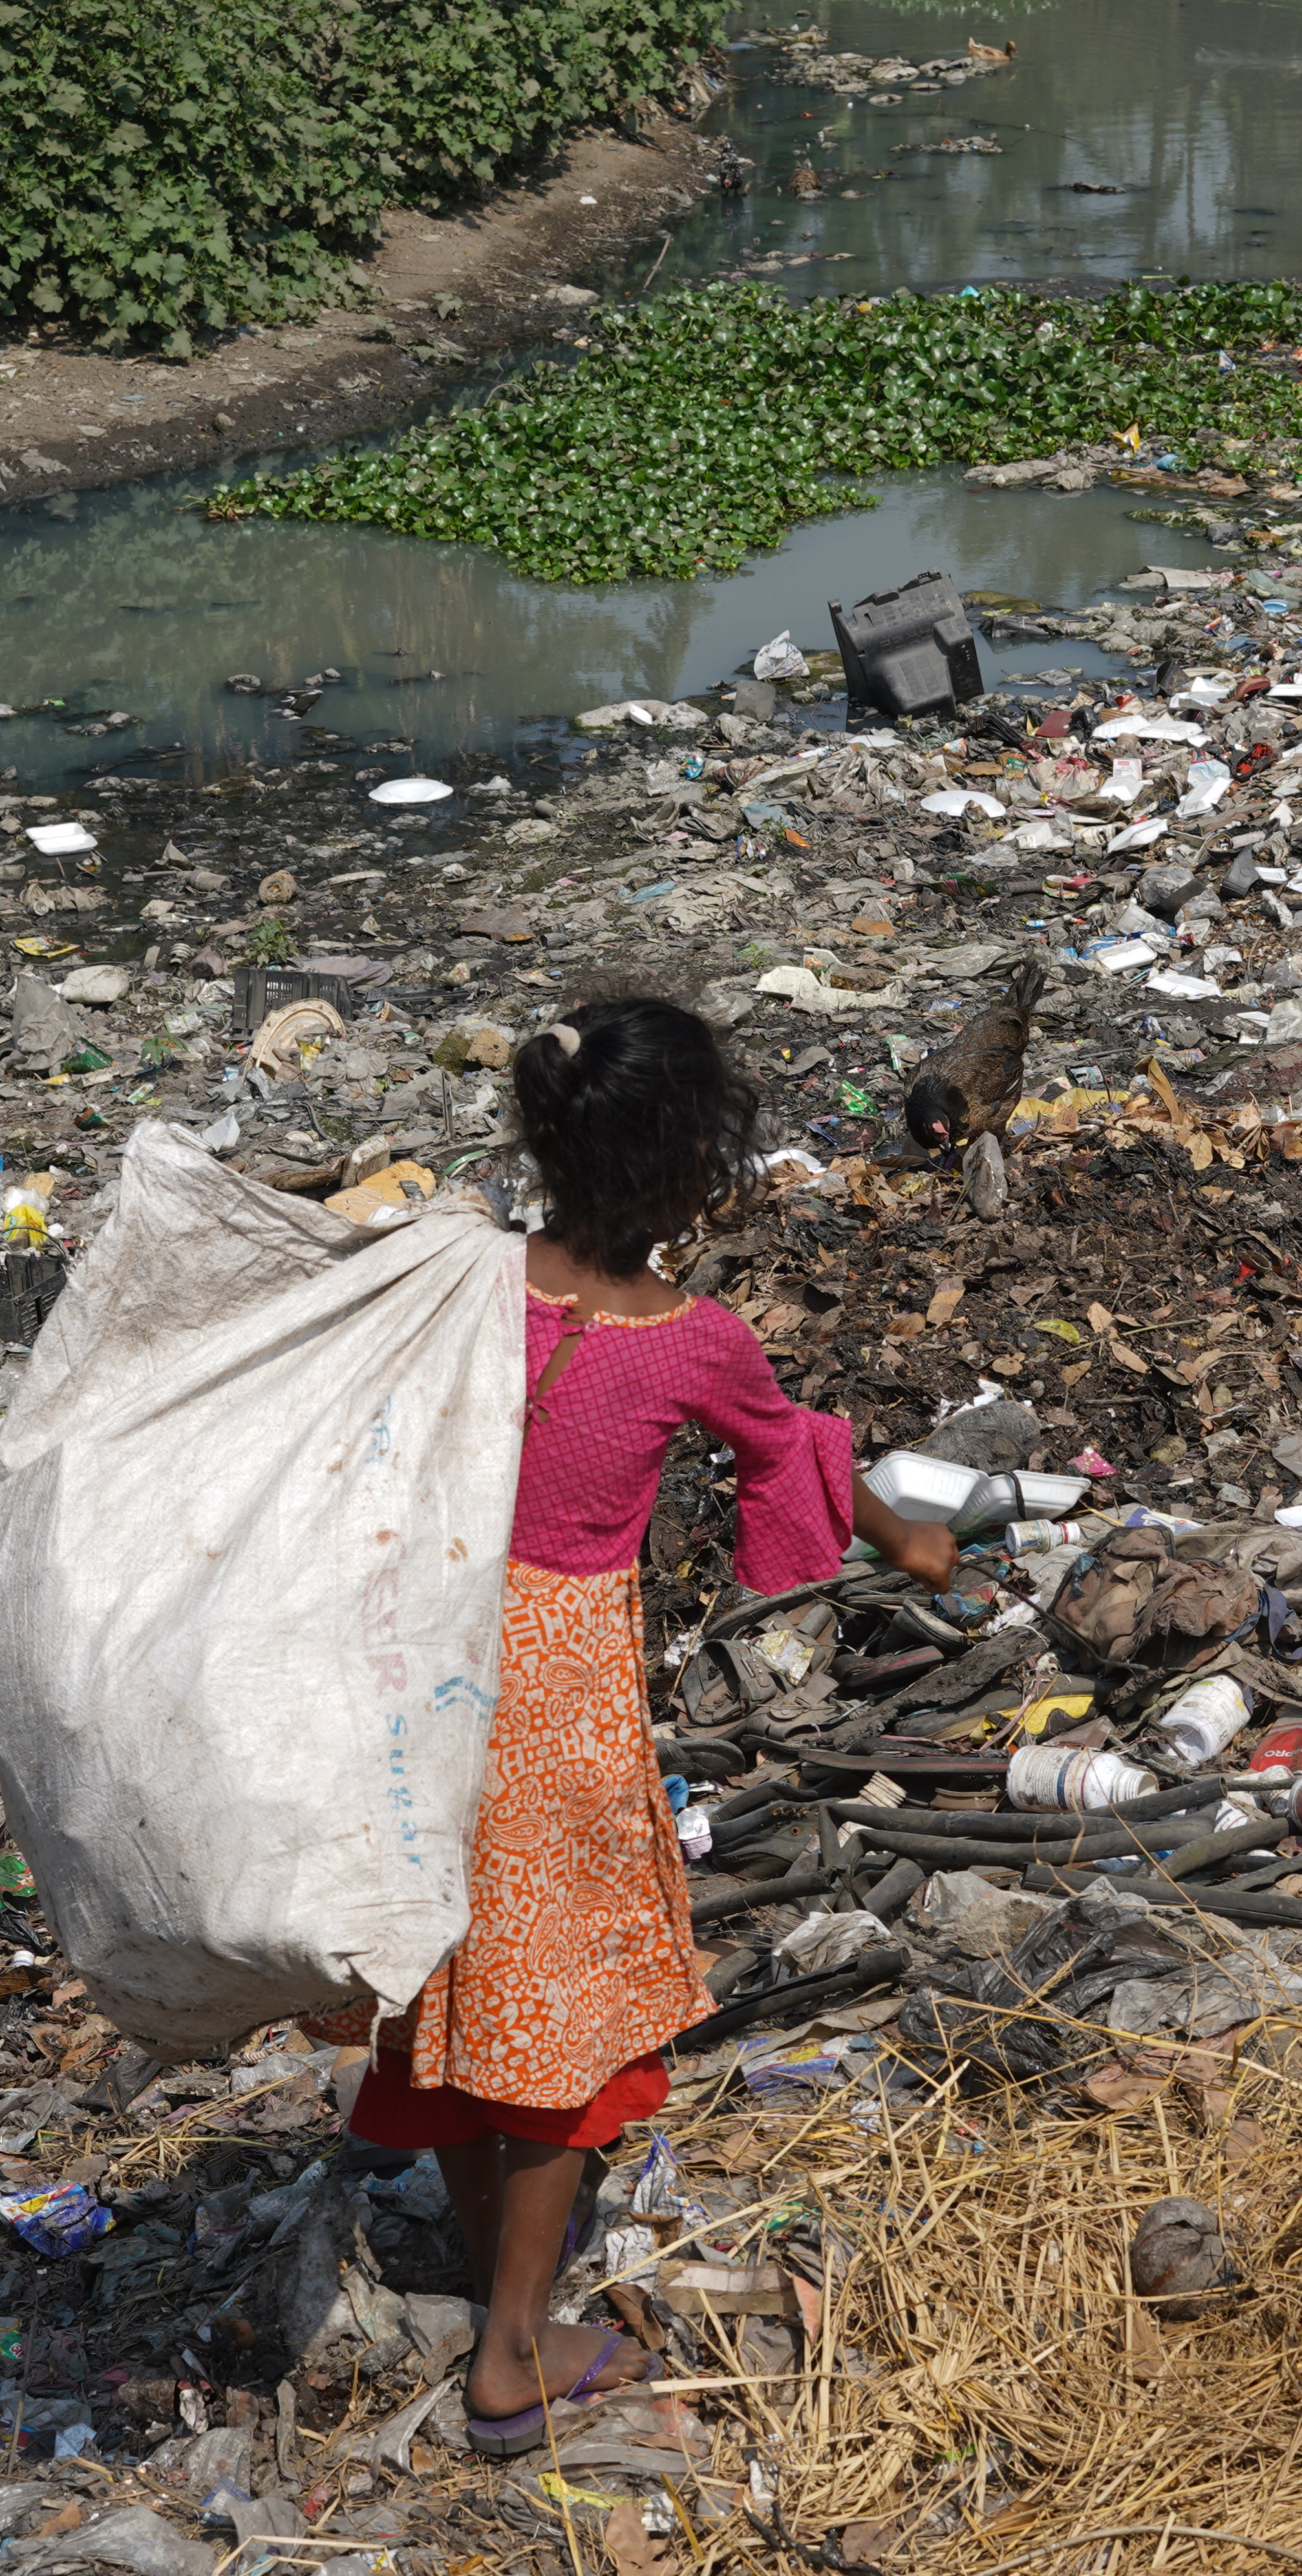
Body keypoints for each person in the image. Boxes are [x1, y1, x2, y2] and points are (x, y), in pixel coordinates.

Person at [306, 995, 955, 2458]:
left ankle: (499, 2292)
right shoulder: (691, 1337)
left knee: (457, 1983)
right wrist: (912, 1546)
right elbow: (787, 1455)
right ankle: (517, 2355)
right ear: (689, 1168)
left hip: (413, 1666)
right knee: (561, 2016)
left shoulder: (462, 1281)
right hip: (550, 1688)